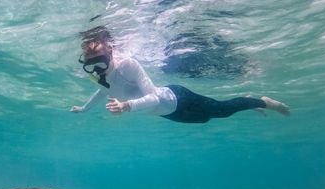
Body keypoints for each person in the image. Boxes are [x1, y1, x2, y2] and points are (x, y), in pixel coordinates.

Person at [70, 26, 290, 123]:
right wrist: (83, 109)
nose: (97, 69)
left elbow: (154, 98)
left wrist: (125, 106)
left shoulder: (128, 65)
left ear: (110, 50)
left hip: (177, 99)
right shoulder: (101, 76)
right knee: (206, 119)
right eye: (90, 65)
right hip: (168, 114)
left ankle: (261, 101)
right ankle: (250, 103)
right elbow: (101, 91)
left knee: (222, 111)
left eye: (99, 60)